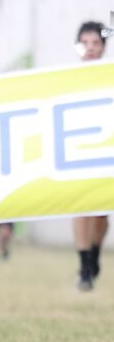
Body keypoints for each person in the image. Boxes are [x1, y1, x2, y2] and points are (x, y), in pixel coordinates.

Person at [74, 20, 108, 291]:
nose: (90, 48)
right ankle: (84, 265)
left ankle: (95, 251)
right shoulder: (67, 78)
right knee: (79, 207)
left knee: (101, 216)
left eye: (96, 43)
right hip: (77, 152)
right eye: (85, 43)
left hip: (106, 153)